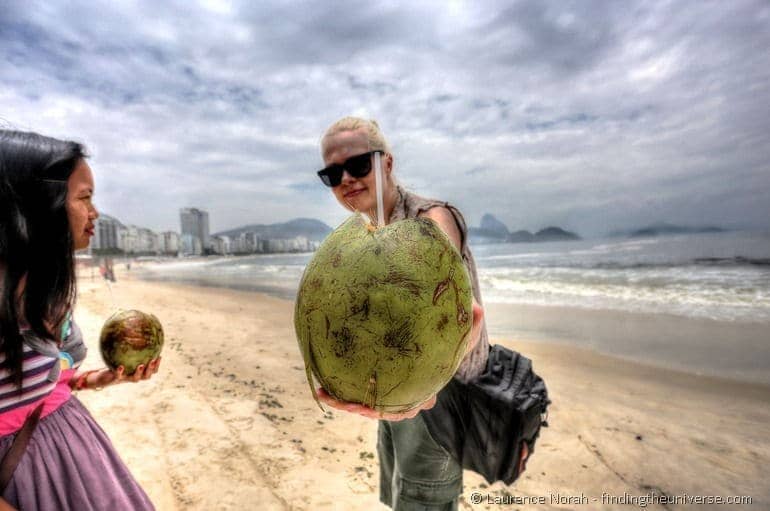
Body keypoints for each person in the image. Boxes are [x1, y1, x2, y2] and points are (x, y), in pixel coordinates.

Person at [314, 117, 527, 510]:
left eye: (359, 165)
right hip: (394, 390)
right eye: (332, 173)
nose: (346, 178)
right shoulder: (370, 233)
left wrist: (420, 394)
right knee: (399, 492)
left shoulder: (431, 218)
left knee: (424, 499)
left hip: (441, 397)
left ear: (387, 164)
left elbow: (442, 320)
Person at [0, 130, 160, 510]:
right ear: (39, 205)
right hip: (30, 476)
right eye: (84, 197)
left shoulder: (44, 289)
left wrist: (93, 380)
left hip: (75, 452)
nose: (95, 211)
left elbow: (30, 382)